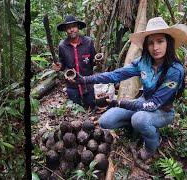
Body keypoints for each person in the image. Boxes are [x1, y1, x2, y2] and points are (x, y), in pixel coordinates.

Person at [72, 17, 187, 160]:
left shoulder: (175, 70)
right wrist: (85, 79)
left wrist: (119, 103)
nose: (155, 47)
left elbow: (154, 104)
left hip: (163, 109)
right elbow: (115, 75)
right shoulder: (143, 62)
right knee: (105, 121)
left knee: (139, 119)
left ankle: (152, 144)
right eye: (150, 43)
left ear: (168, 42)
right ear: (146, 45)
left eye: (160, 41)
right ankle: (138, 125)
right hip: (143, 102)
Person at [53, 14, 102, 110]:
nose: (71, 30)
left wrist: (98, 60)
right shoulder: (62, 46)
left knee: (91, 108)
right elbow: (62, 64)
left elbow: (94, 61)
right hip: (72, 84)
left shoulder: (88, 42)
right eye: (68, 28)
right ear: (65, 30)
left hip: (87, 82)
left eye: (74, 27)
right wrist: (59, 66)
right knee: (76, 110)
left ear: (78, 27)